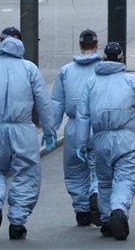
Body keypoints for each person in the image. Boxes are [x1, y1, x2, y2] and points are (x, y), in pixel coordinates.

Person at [0, 27, 56, 241]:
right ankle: (17, 222)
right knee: (26, 173)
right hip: (22, 129)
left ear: (1, 43)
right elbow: (43, 101)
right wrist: (50, 130)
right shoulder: (29, 68)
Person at [75, 42, 135, 241]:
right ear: (121, 58)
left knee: (105, 181)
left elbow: (82, 116)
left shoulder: (92, 83)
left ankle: (107, 219)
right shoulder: (131, 81)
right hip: (127, 139)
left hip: (100, 140)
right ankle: (118, 209)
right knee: (126, 179)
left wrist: (81, 144)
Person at [51, 29, 101, 227]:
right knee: (99, 166)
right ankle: (96, 193)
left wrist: (51, 129)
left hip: (73, 127)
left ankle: (82, 210)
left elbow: (56, 103)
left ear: (80, 46)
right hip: (97, 126)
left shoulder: (66, 71)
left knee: (75, 170)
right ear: (96, 45)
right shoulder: (104, 68)